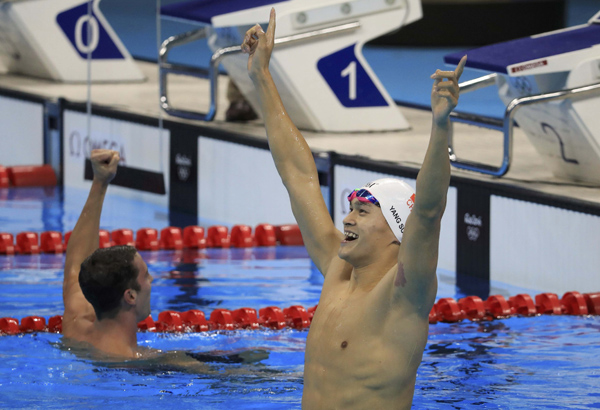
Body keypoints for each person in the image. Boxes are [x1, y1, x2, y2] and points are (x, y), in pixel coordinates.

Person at [242, 9, 467, 409]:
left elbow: (429, 211)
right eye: (350, 208)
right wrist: (261, 76)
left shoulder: (405, 294)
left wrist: (441, 126)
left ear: (397, 232)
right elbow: (298, 175)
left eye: (363, 212)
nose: (346, 218)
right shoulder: (335, 269)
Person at [62, 149, 152, 358]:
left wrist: (100, 181)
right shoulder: (135, 360)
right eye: (146, 275)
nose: (152, 279)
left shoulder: (77, 327)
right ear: (130, 296)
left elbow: (75, 271)